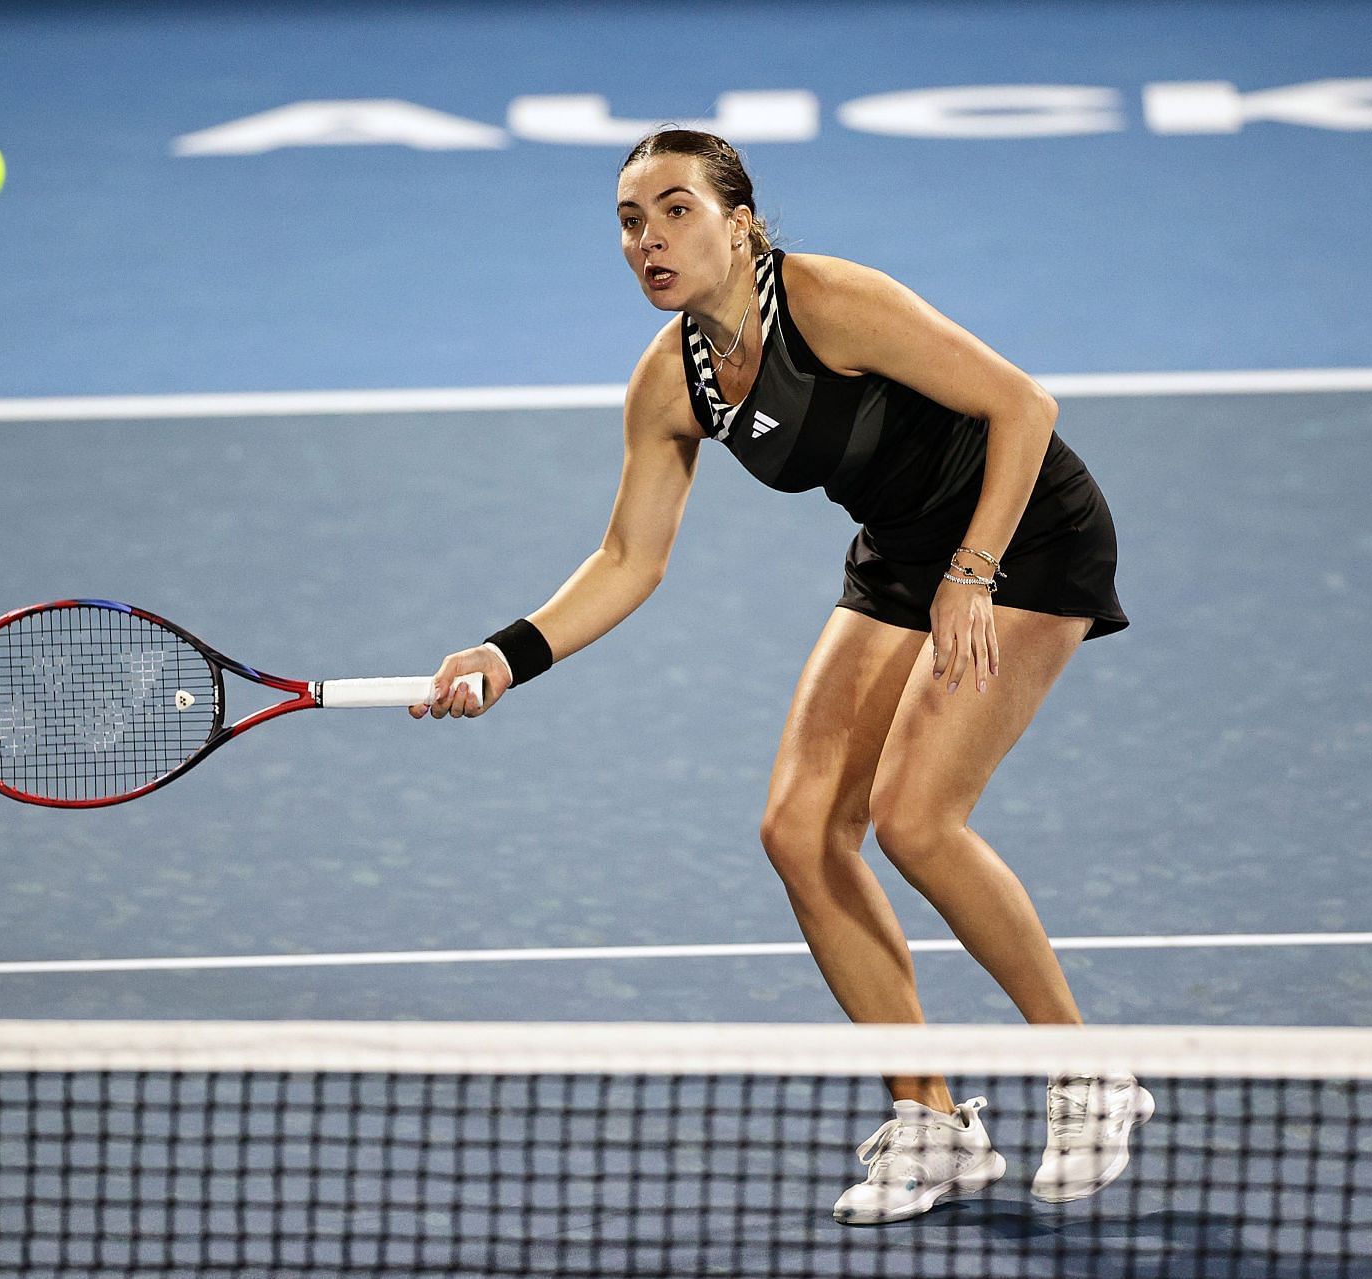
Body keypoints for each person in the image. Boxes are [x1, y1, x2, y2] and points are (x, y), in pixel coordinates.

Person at [412, 128, 1150, 1223]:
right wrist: (505, 653)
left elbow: (1024, 408)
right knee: (801, 830)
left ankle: (1092, 1076)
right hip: (905, 553)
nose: (649, 240)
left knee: (916, 818)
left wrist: (973, 572)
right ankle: (933, 1121)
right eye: (630, 220)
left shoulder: (831, 302)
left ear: (738, 222)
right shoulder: (674, 379)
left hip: (1025, 533)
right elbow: (628, 559)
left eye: (675, 211)